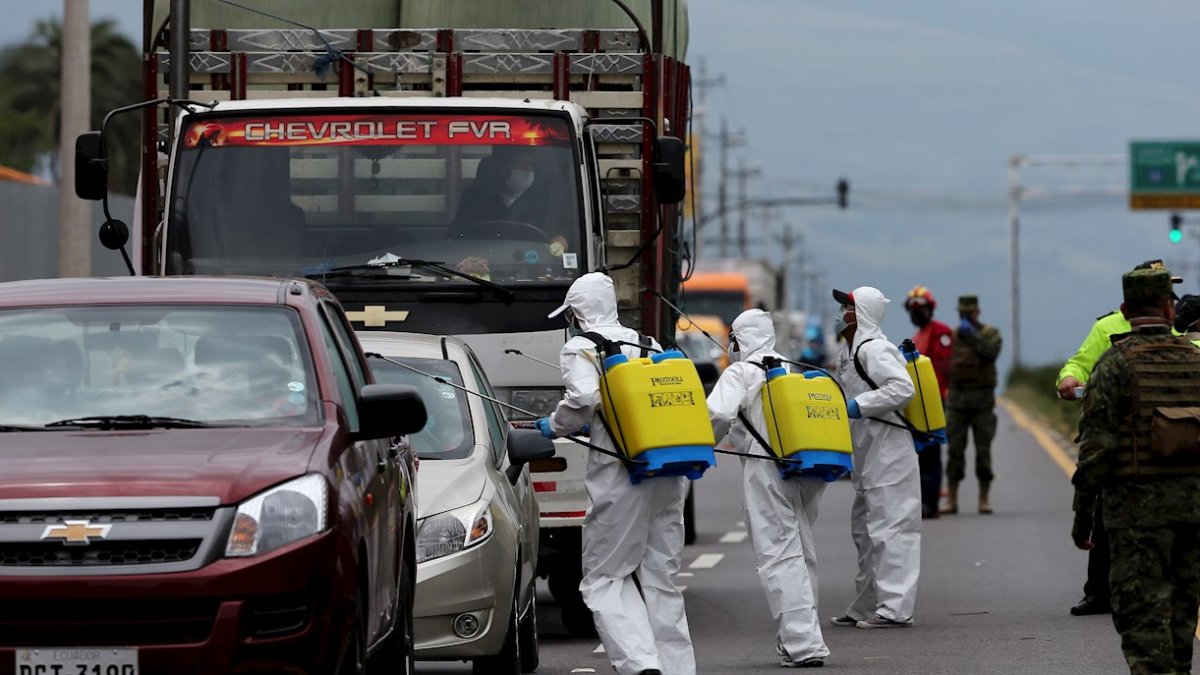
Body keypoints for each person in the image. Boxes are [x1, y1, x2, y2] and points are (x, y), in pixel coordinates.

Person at [535, 272, 694, 675]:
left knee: (604, 576)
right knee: (661, 576)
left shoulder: (580, 346)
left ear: (577, 311)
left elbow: (585, 397)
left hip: (620, 472)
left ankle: (640, 665)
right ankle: (676, 668)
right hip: (666, 466)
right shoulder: (647, 342)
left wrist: (555, 425)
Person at [1071, 267, 1200, 675]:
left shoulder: (1113, 365)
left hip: (1135, 514)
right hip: (1193, 512)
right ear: (1169, 308)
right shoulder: (1197, 360)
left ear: (1125, 310)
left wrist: (1083, 516)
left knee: (1142, 618)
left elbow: (1095, 449)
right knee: (1183, 613)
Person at [1056, 259, 1184, 617]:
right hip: (1125, 450)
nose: (1167, 297)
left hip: (1168, 451)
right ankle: (1099, 592)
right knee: (1106, 523)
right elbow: (1079, 365)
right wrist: (1068, 379)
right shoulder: (1107, 328)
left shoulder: (1180, 340)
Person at [707, 309, 829, 668]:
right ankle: (800, 638)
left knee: (779, 556)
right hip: (804, 472)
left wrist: (694, 446)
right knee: (802, 555)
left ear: (739, 339)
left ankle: (803, 644)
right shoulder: (788, 370)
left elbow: (716, 415)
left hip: (766, 471)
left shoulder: (742, 371)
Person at [828, 287, 921, 629]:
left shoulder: (874, 349)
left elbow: (902, 388)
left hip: (890, 450)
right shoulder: (848, 351)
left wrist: (859, 406)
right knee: (865, 531)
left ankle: (895, 609)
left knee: (893, 527)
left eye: (847, 308)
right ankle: (866, 604)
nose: (841, 313)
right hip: (867, 451)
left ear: (861, 313)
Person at [943, 295, 1002, 515]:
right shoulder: (952, 336)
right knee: (954, 451)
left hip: (982, 402)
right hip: (957, 401)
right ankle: (952, 498)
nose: (966, 316)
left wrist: (973, 337)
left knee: (983, 451)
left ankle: (984, 497)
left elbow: (991, 352)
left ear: (978, 312)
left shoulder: (990, 335)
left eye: (969, 312)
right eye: (962, 313)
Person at [904, 285, 953, 520]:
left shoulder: (939, 332)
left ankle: (931, 503)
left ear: (929, 309)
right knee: (922, 452)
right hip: (920, 402)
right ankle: (925, 499)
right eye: (912, 308)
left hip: (936, 401)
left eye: (919, 307)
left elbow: (944, 368)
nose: (916, 312)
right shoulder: (918, 336)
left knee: (931, 453)